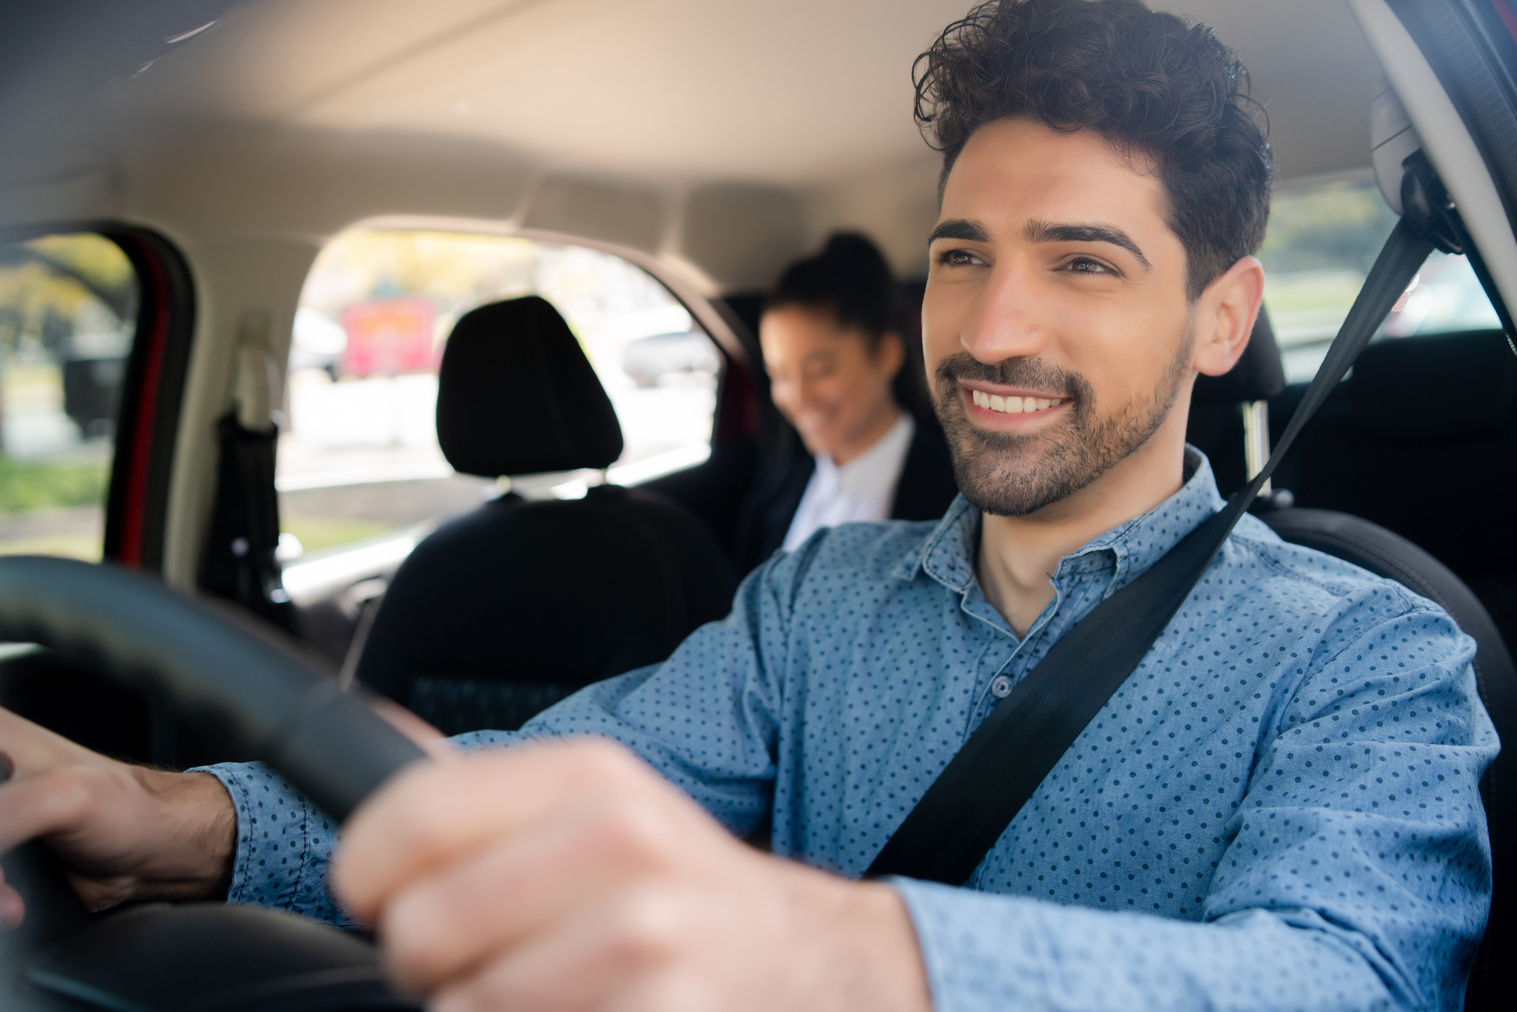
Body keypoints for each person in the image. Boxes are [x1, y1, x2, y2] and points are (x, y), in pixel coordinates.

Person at [0, 1, 1497, 1010]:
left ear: (1224, 317)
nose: (989, 331)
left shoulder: (1373, 656)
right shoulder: (815, 604)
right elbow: (537, 783)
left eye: (1083, 262)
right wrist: (172, 817)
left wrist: (840, 951)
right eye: (963, 254)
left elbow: (1339, 979)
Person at [733, 232, 958, 570]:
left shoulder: (955, 499)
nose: (798, 398)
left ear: (885, 354)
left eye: (820, 370)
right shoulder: (770, 496)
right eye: (779, 375)